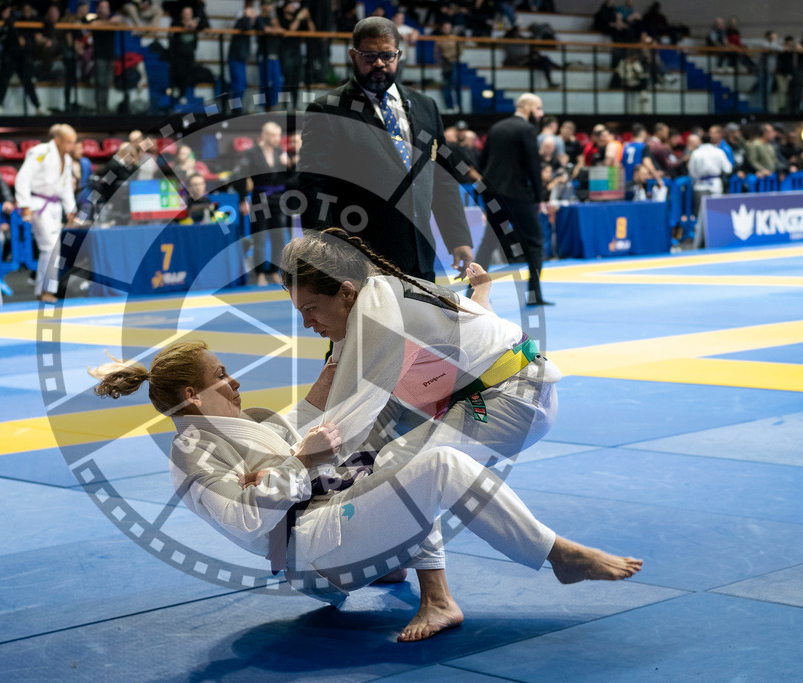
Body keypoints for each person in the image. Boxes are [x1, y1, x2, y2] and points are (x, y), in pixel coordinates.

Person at [88, 338, 642, 640]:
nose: (235, 381)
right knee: (439, 465)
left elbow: (300, 425)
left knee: (393, 449)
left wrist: (337, 360)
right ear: (192, 394)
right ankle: (557, 554)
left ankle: (399, 572)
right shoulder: (192, 455)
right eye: (222, 376)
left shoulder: (245, 421)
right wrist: (299, 467)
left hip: (326, 520)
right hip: (308, 548)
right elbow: (252, 519)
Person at [282, 226, 562, 472]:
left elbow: (339, 429)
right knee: (374, 453)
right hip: (482, 379)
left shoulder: (378, 318)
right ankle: (481, 304)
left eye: (311, 309)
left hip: (517, 398)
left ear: (345, 292)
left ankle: (545, 537)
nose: (307, 323)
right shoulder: (369, 298)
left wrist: (284, 469)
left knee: (396, 468)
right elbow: (329, 398)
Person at [297, 16, 473, 284]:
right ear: (353, 55)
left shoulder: (426, 106)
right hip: (361, 262)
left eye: (387, 56)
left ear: (399, 55)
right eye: (369, 56)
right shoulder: (328, 110)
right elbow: (313, 188)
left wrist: (458, 238)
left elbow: (441, 178)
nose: (379, 63)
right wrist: (324, 256)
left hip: (420, 258)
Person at [474, 93, 551, 307]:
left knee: (489, 241)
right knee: (535, 241)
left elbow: (482, 161)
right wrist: (539, 197)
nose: (541, 114)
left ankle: (472, 290)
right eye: (539, 109)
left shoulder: (497, 127)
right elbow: (533, 167)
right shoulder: (527, 129)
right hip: (516, 193)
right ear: (527, 108)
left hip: (492, 192)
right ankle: (534, 294)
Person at [14, 124, 78, 302]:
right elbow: (23, 177)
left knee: (54, 248)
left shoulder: (67, 159)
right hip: (38, 204)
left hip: (54, 207)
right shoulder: (40, 152)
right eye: (68, 142)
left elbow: (65, 188)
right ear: (57, 140)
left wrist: (71, 210)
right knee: (49, 246)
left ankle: (44, 289)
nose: (72, 146)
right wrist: (25, 204)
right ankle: (45, 291)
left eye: (74, 142)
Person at [236, 121, 290, 286]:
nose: (277, 139)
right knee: (259, 237)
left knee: (279, 237)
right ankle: (259, 274)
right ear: (264, 135)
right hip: (260, 198)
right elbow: (241, 176)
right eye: (273, 135)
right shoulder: (251, 153)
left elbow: (290, 177)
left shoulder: (280, 152)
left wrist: (288, 164)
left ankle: (274, 271)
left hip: (278, 199)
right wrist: (243, 199)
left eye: (279, 135)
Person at [0, 4, 43, 116]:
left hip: (23, 57)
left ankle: (38, 106)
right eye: (25, 10)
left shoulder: (33, 21)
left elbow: (45, 23)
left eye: (29, 10)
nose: (27, 12)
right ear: (21, 11)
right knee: (4, 80)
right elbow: (9, 21)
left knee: (28, 82)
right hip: (11, 56)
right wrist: (18, 36)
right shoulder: (15, 19)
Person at [687, 131, 732, 248]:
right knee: (716, 211)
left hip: (701, 184)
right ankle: (717, 238)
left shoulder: (696, 153)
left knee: (700, 214)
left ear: (701, 141)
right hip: (716, 184)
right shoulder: (719, 152)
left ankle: (700, 242)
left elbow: (692, 171)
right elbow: (728, 168)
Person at [90, 0, 121, 114]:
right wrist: (109, 23)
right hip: (100, 56)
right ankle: (99, 108)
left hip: (110, 55)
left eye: (106, 7)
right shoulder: (94, 20)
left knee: (107, 83)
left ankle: (105, 107)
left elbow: (119, 21)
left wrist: (110, 22)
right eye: (102, 7)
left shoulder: (113, 19)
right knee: (100, 83)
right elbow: (93, 25)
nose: (105, 9)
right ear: (98, 9)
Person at [255, 0, 284, 111]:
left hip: (274, 54)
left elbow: (281, 31)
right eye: (267, 4)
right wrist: (275, 29)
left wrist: (275, 27)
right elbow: (265, 29)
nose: (270, 6)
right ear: (262, 6)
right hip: (264, 54)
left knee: (277, 81)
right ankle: (262, 107)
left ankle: (273, 105)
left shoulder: (273, 20)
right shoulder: (259, 19)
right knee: (265, 82)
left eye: (271, 4)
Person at [228, 1, 256, 104]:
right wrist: (247, 16)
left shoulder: (246, 23)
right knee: (238, 85)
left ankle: (237, 107)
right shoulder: (240, 23)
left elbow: (257, 26)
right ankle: (236, 109)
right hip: (235, 56)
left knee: (242, 84)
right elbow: (247, 26)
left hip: (242, 57)